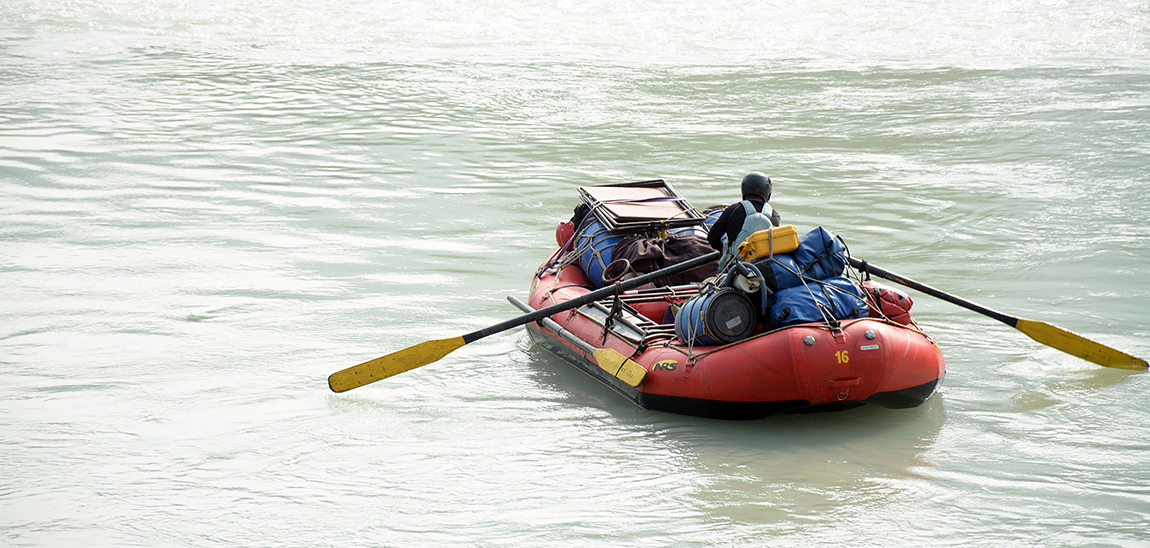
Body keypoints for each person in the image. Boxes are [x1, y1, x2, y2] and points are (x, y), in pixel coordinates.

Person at [707, 172, 781, 269]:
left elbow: (712, 238)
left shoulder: (733, 210)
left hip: (735, 269)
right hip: (765, 269)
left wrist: (723, 250)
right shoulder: (774, 215)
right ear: (768, 193)